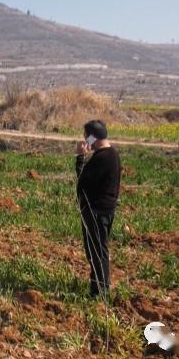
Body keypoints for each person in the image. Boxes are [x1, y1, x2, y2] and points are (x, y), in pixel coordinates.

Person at [75, 120, 121, 298]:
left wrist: (80, 158)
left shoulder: (102, 157)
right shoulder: (112, 154)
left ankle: (100, 292)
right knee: (96, 250)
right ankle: (97, 287)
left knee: (97, 252)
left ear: (92, 137)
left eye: (86, 136)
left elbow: (82, 181)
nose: (85, 139)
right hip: (104, 210)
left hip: (96, 212)